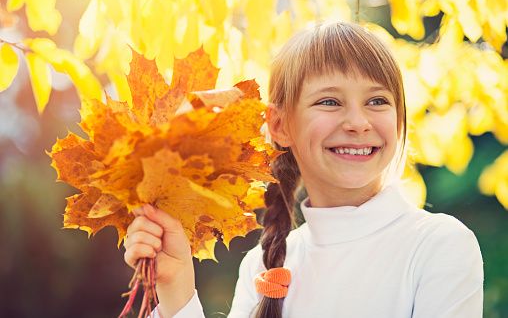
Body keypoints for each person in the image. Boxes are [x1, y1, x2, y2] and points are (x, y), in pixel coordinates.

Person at [124, 21, 484, 318]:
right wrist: (176, 286)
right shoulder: (259, 267)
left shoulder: (438, 245)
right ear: (280, 126)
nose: (358, 122)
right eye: (329, 101)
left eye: (377, 101)